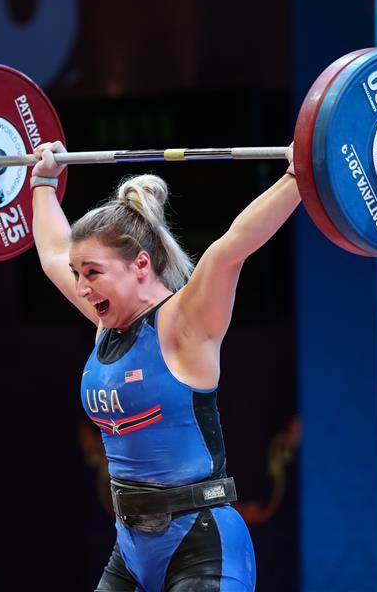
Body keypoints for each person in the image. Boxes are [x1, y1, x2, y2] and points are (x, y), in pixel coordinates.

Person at [30, 140, 298, 592]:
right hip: (132, 548)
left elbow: (231, 248)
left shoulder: (183, 323)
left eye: (92, 272)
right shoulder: (106, 325)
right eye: (77, 274)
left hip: (202, 545)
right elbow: (53, 252)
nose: (80, 287)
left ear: (140, 264)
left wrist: (299, 175)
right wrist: (42, 182)